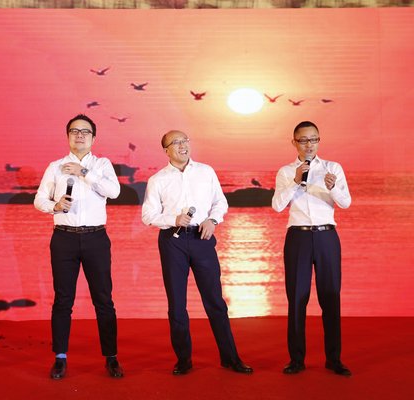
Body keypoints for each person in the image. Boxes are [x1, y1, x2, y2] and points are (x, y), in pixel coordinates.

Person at [142, 130, 253, 376]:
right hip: (172, 241)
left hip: (202, 238)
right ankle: (183, 360)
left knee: (215, 301)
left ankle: (230, 357)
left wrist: (213, 220)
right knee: (177, 304)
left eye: (185, 141)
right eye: (176, 142)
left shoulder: (206, 171)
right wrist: (173, 219)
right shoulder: (157, 180)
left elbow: (220, 202)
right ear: (166, 150)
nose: (182, 145)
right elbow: (148, 215)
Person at [34, 114, 123, 380]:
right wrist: (55, 206)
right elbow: (39, 199)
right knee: (63, 300)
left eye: (85, 132)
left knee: (103, 299)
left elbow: (114, 192)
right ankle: (60, 357)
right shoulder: (55, 166)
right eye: (74, 131)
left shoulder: (102, 164)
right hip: (64, 238)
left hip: (96, 238)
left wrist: (84, 173)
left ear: (93, 138)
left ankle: (111, 357)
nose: (80, 135)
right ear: (68, 136)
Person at [272, 121, 352, 377]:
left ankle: (334, 359)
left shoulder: (332, 168)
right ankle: (296, 359)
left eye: (314, 139)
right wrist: (296, 181)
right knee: (297, 298)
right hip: (298, 237)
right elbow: (277, 206)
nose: (309, 145)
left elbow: (346, 203)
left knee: (331, 296)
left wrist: (333, 187)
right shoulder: (286, 171)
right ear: (294, 142)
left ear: (319, 140)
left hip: (327, 236)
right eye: (304, 140)